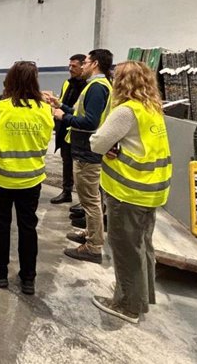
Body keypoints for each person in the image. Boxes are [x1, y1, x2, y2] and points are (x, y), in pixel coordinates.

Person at [88, 61, 172, 324]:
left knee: (125, 249)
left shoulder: (125, 112)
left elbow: (97, 143)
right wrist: (119, 147)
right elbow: (139, 146)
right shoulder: (152, 109)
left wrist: (109, 145)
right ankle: (142, 297)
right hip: (152, 191)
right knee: (143, 246)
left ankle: (127, 305)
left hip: (128, 193)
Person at [0, 61, 54, 295]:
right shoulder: (45, 109)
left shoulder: (1, 106)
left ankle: (0, 272)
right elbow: (44, 140)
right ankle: (28, 279)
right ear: (35, 81)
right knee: (28, 226)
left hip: (2, 177)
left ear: (10, 79)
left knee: (1, 224)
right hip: (31, 179)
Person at [51, 49, 113, 264]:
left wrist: (63, 117)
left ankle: (94, 247)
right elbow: (81, 114)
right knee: (89, 200)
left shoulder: (97, 87)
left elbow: (90, 122)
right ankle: (89, 233)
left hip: (88, 151)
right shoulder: (97, 86)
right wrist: (60, 105)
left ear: (94, 63)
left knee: (90, 200)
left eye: (85, 62)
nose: (83, 66)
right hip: (86, 150)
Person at [49, 54, 87, 204]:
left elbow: (82, 111)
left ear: (83, 66)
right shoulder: (67, 83)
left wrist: (65, 113)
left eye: (74, 66)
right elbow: (63, 102)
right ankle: (66, 191)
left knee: (81, 167)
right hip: (65, 127)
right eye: (69, 66)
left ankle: (83, 199)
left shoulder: (88, 86)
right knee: (66, 161)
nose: (70, 69)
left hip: (79, 129)